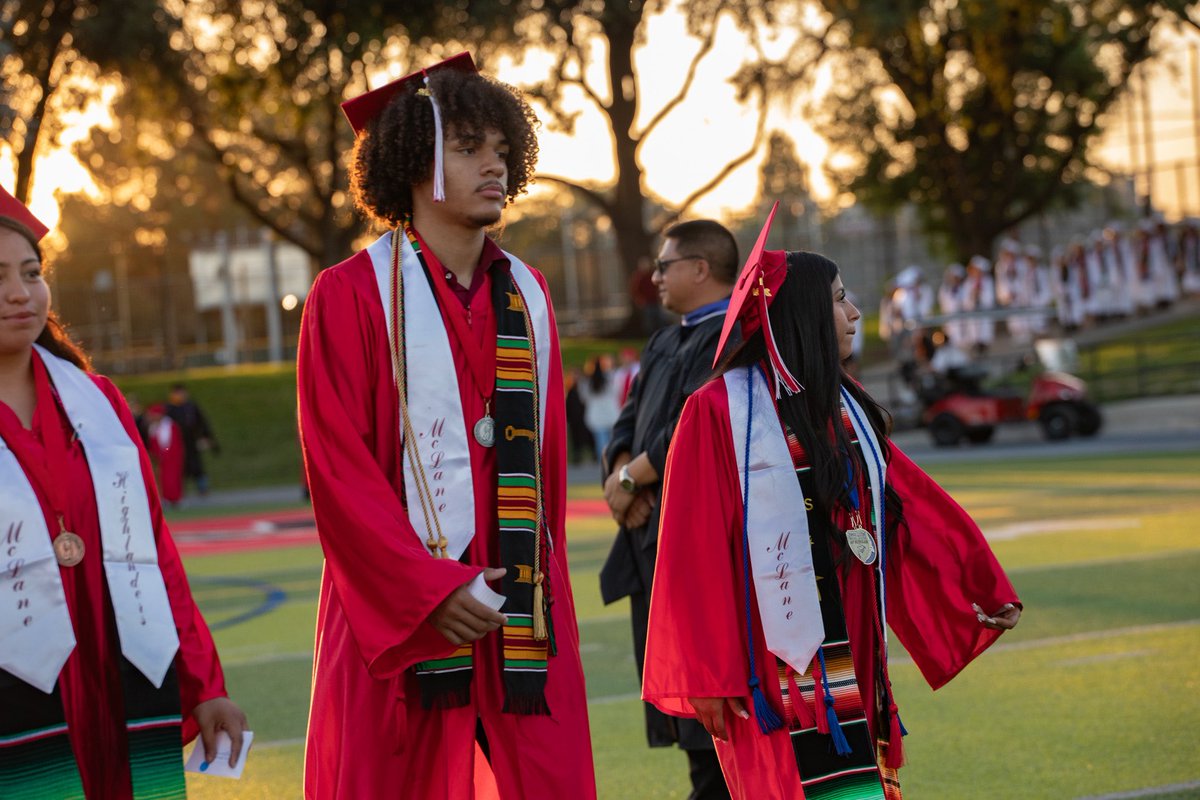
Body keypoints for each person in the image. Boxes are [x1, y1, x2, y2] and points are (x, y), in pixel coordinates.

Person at [643, 204, 1021, 800]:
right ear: (800, 317)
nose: (854, 313)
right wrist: (707, 671)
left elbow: (909, 505)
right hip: (766, 655)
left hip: (852, 633)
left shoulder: (844, 407)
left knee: (856, 784)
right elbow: (691, 551)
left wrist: (978, 584)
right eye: (840, 300)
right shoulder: (718, 411)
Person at [296, 52, 595, 799]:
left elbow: (549, 476)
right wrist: (424, 591)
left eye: (500, 149)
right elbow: (339, 475)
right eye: (466, 148)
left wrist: (537, 588)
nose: (493, 165)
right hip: (403, 613)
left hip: (521, 612)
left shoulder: (529, 294)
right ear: (412, 163)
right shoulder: (350, 295)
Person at [0, 187, 247, 798]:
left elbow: (153, 555)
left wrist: (204, 684)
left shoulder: (97, 404)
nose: (19, 293)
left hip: (114, 672)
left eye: (31, 273)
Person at [599, 219, 739, 800]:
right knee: (681, 711)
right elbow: (629, 421)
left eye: (664, 265)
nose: (653, 276)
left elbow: (692, 423)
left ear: (701, 269)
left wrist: (630, 479)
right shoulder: (663, 341)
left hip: (697, 543)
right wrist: (620, 476)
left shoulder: (733, 337)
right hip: (648, 540)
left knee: (714, 718)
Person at [165, 383, 218, 497]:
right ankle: (178, 491)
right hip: (176, 443)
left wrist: (207, 437)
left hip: (192, 442)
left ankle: (203, 489)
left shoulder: (191, 407)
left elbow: (202, 423)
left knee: (197, 466)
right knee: (178, 468)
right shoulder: (169, 409)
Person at [578, 353, 621, 457]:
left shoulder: (586, 382)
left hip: (595, 415)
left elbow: (583, 398)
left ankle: (602, 461)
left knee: (600, 442)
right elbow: (617, 392)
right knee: (612, 440)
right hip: (611, 413)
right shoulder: (610, 379)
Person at [145, 402, 184, 507]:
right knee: (161, 479)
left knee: (172, 478)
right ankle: (165, 498)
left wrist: (166, 452)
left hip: (172, 457)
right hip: (160, 457)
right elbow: (153, 444)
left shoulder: (171, 426)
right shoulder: (153, 428)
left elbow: (173, 443)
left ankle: (175, 499)